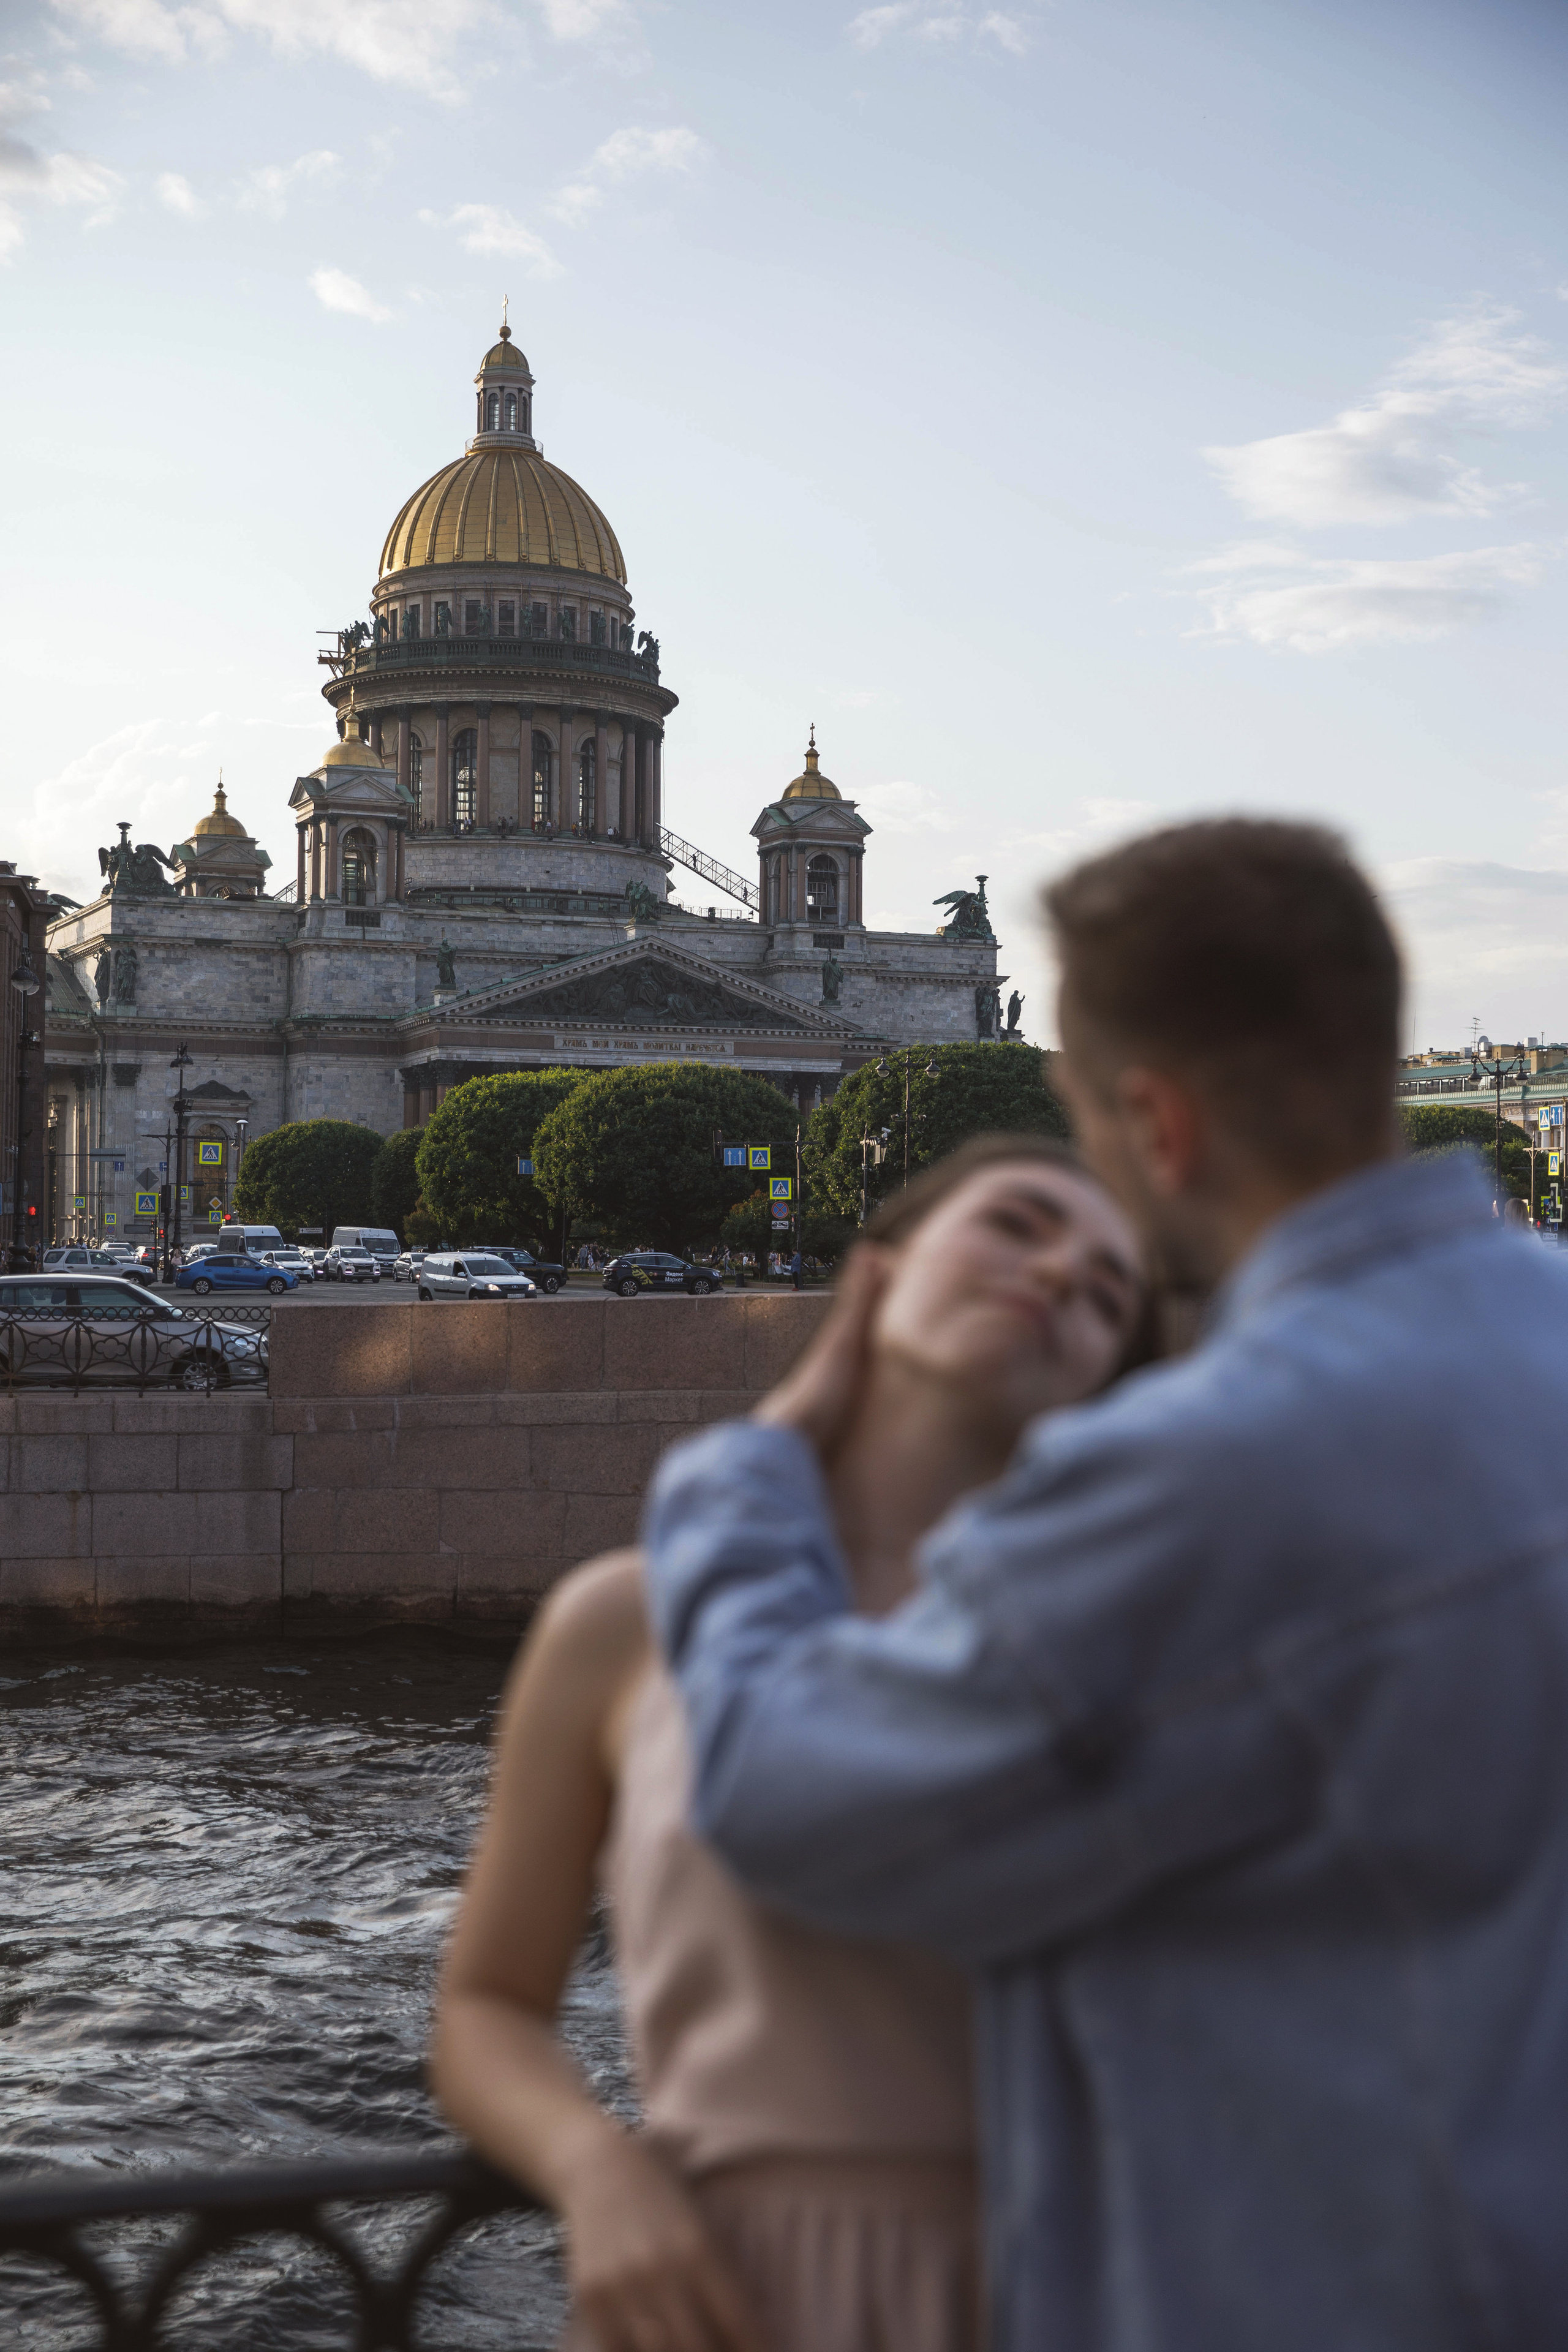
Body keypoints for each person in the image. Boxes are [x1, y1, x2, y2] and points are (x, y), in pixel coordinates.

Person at [643, 818, 1568, 2352]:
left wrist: (749, 1467)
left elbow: (772, 1786)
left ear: (1152, 1121)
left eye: (1075, 1116)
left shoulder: (1197, 1469)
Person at [432, 1136, 1148, 2352]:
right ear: (879, 1270)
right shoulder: (619, 1623)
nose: (1060, 1272)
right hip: (715, 2297)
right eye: (1018, 1224)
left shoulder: (1123, 1645)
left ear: (1102, 1378)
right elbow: (486, 2007)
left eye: (1105, 1294)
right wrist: (595, 2169)